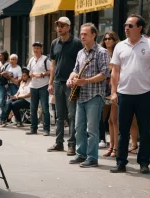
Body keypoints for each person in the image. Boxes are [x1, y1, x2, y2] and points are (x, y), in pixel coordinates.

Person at [110, 14, 150, 174]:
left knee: (144, 130)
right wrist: (114, 92)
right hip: (124, 94)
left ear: (139, 27)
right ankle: (121, 162)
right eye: (125, 25)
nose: (126, 28)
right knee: (123, 131)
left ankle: (144, 163)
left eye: (130, 26)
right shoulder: (120, 46)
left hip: (145, 94)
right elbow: (115, 71)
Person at [67, 23, 110, 168]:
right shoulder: (80, 53)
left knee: (92, 130)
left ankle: (92, 158)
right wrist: (70, 79)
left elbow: (104, 74)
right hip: (81, 96)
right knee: (79, 127)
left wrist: (85, 81)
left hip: (94, 95)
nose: (82, 36)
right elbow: (75, 70)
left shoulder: (101, 52)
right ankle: (81, 154)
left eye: (85, 34)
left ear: (93, 35)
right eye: (81, 34)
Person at [47, 17, 83, 155]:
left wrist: (77, 80)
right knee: (59, 115)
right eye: (57, 25)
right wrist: (50, 82)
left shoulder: (76, 43)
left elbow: (81, 63)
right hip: (57, 82)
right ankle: (59, 143)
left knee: (72, 115)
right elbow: (53, 64)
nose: (59, 28)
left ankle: (72, 144)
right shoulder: (54, 43)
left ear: (68, 27)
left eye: (62, 25)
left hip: (71, 84)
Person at [99, 31, 120, 157]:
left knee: (114, 119)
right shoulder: (102, 53)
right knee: (106, 120)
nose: (107, 41)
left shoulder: (117, 53)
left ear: (114, 40)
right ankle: (110, 145)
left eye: (110, 38)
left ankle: (115, 147)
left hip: (114, 87)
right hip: (103, 88)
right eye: (106, 39)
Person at [26, 42, 51, 136]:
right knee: (33, 108)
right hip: (33, 86)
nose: (35, 50)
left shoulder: (46, 59)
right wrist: (30, 74)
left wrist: (42, 74)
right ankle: (33, 128)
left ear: (41, 49)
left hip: (43, 86)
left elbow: (51, 71)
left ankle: (46, 129)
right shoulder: (32, 59)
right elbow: (29, 71)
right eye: (34, 48)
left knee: (45, 108)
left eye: (37, 48)